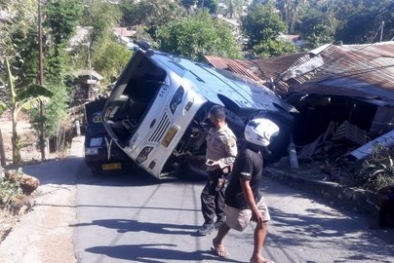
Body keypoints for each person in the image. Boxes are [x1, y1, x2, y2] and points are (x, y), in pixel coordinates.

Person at [212, 118, 279, 263]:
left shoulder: (257, 150)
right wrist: (254, 209)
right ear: (261, 137)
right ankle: (217, 241)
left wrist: (256, 205)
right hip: (239, 198)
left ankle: (256, 257)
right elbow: (244, 184)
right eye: (270, 136)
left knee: (264, 221)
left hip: (254, 195)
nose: (272, 139)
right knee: (233, 223)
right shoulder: (247, 156)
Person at [197, 105, 238, 236]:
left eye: (211, 116)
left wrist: (218, 163)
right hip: (211, 169)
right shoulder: (213, 130)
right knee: (219, 193)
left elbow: (233, 157)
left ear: (217, 119)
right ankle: (221, 219)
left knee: (207, 195)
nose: (209, 118)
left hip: (220, 171)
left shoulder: (228, 136)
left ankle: (208, 223)